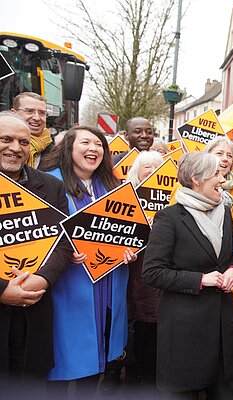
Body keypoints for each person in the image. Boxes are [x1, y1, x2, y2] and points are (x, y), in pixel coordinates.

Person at [39, 126, 131, 398]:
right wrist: (64, 251)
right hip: (68, 286)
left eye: (99, 144)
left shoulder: (115, 187)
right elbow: (36, 235)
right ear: (68, 148)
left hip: (108, 284)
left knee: (95, 363)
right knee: (62, 357)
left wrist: (129, 249)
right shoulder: (47, 184)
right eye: (86, 143)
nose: (94, 149)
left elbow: (125, 232)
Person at [142, 152, 233, 398]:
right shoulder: (170, 218)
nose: (223, 177)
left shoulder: (225, 211)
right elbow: (152, 272)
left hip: (222, 325)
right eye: (216, 174)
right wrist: (200, 280)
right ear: (197, 179)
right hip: (186, 331)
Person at [0, 112, 71, 397]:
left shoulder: (52, 187)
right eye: (5, 139)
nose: (15, 148)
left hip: (35, 312)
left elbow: (64, 243)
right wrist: (3, 290)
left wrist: (42, 279)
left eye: (23, 142)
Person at [124, 150, 164, 393]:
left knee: (158, 331)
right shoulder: (126, 198)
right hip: (136, 275)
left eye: (156, 167)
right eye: (146, 166)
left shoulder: (174, 201)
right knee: (139, 327)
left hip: (162, 275)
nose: (151, 171)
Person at [11, 92, 53, 168]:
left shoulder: (57, 153)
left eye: (42, 113)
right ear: (14, 113)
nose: (37, 118)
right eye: (29, 111)